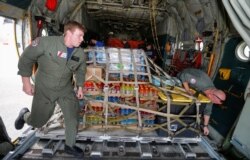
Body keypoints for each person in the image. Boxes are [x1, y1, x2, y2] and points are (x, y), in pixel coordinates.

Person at [15, 21, 87, 158]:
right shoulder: (45, 43)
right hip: (44, 87)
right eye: (80, 36)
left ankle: (69, 146)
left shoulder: (80, 53)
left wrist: (80, 87)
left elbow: (81, 71)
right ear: (69, 33)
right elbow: (26, 58)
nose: (82, 39)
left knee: (72, 115)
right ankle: (24, 115)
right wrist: (26, 83)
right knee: (38, 122)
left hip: (65, 88)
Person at [177, 68, 226, 136]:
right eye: (214, 101)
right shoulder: (202, 83)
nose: (212, 102)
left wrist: (205, 126)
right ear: (212, 95)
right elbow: (184, 76)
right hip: (181, 78)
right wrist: (187, 90)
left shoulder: (211, 96)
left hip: (191, 87)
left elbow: (207, 112)